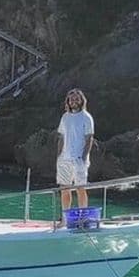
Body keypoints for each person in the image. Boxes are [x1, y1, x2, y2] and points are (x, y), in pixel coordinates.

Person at [56, 88, 94, 217]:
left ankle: (83, 217)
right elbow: (61, 137)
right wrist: (59, 156)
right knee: (64, 189)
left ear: (81, 100)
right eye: (71, 99)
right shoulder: (65, 117)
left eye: (76, 99)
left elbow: (89, 138)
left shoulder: (86, 117)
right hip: (64, 159)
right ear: (68, 101)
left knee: (80, 188)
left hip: (79, 159)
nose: (74, 101)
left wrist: (83, 157)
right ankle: (65, 218)